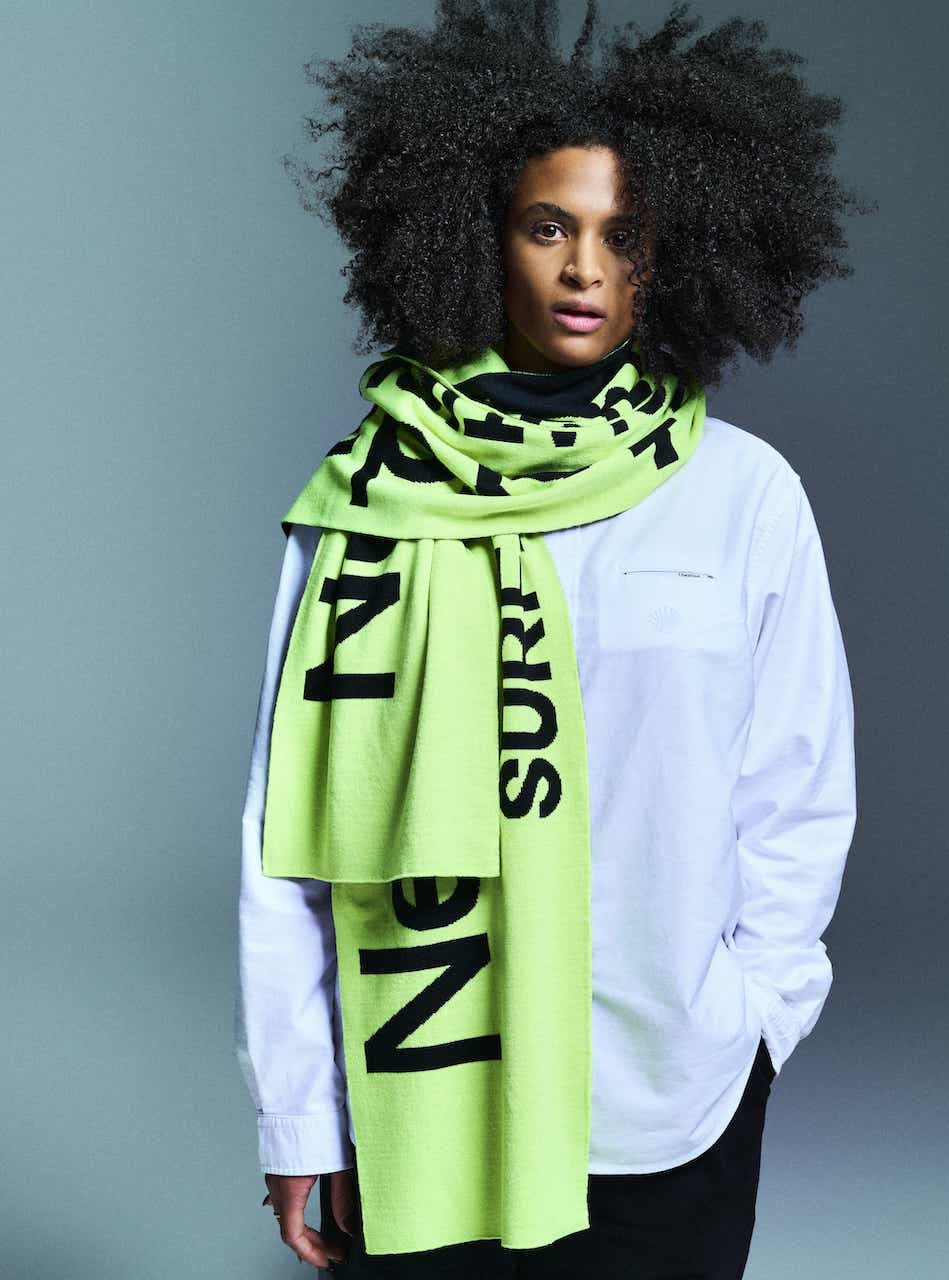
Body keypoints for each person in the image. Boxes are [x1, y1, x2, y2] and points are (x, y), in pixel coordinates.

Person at [235, 1, 873, 1274]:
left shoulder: (742, 492)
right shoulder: (369, 501)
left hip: (671, 1090)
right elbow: (287, 836)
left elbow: (797, 788)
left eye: (622, 235)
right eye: (547, 226)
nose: (585, 268)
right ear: (479, 239)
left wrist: (757, 1016)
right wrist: (301, 1108)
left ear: (670, 258)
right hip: (427, 1090)